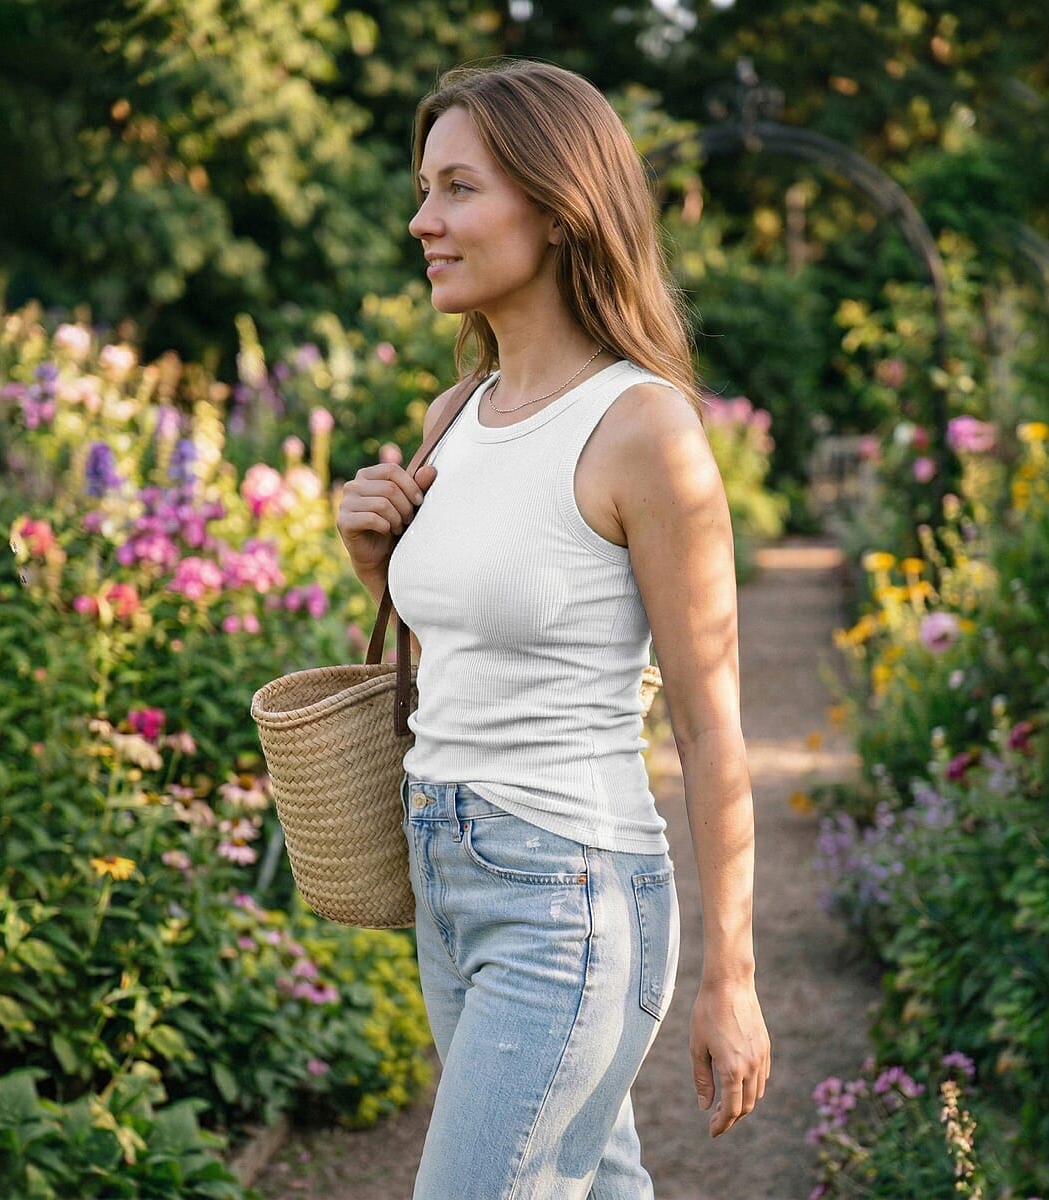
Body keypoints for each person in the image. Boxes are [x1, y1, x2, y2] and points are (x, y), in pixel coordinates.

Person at [336, 59, 770, 1199]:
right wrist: (379, 567)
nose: (422, 221)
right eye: (424, 189)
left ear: (559, 206)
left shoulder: (643, 431)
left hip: (565, 895)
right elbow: (482, 652)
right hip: (446, 872)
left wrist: (732, 976)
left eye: (458, 189)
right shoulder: (454, 415)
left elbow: (711, 728)